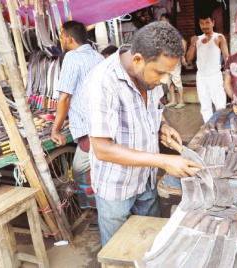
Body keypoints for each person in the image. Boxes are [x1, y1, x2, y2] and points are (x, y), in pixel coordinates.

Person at [83, 21, 201, 246]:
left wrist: (163, 125)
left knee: (151, 245)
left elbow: (156, 109)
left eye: (169, 73)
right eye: (161, 73)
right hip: (116, 187)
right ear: (137, 60)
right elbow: (102, 149)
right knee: (119, 252)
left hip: (145, 180)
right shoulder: (102, 83)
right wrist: (163, 160)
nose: (165, 80)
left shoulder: (149, 74)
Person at [50, 21, 104, 230]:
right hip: (102, 124)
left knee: (82, 169)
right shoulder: (98, 57)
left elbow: (65, 97)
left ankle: (102, 212)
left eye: (62, 37)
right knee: (100, 169)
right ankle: (101, 210)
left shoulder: (72, 57)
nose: (61, 41)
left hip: (90, 129)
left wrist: (55, 128)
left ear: (69, 38)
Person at [186, 12, 229, 122]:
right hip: (201, 76)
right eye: (202, 23)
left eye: (207, 23)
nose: (204, 26)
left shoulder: (219, 37)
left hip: (215, 75)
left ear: (213, 23)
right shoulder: (197, 39)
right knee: (205, 105)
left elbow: (226, 56)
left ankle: (221, 125)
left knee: (220, 103)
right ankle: (208, 125)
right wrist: (192, 44)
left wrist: (228, 75)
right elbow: (189, 58)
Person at [160, 13, 187, 109]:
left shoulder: (173, 31)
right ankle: (173, 100)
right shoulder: (164, 33)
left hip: (174, 60)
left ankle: (181, 101)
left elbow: (183, 42)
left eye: (163, 20)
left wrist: (182, 56)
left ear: (168, 21)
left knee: (176, 80)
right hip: (167, 61)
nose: (161, 22)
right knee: (169, 81)